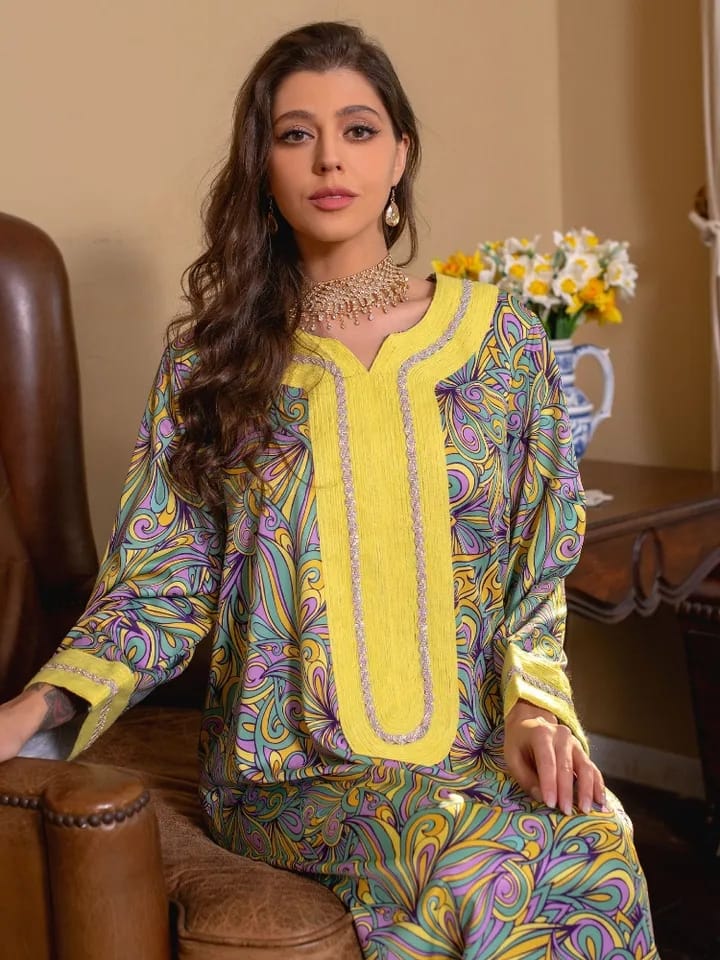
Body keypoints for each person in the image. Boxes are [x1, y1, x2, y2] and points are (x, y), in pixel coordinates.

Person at [0, 21, 657, 960]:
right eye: (294, 134)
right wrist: (36, 709)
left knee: (597, 844)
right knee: (489, 864)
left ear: (400, 155)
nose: (328, 159)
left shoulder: (501, 339)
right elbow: (160, 584)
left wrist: (535, 710)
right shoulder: (210, 364)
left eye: (357, 129)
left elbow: (535, 564)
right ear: (262, 164)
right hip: (289, 773)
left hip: (475, 749)